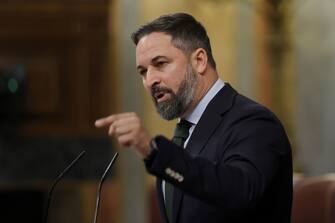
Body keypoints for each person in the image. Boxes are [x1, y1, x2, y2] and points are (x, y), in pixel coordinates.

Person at [95, 13, 292, 223]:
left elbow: (240, 191)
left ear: (199, 60)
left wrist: (154, 152)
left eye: (160, 63)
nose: (150, 80)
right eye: (143, 72)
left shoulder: (253, 122)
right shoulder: (184, 133)